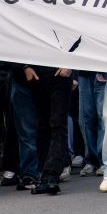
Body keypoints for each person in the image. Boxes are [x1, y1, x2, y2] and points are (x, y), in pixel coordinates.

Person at [22, 63, 74, 195]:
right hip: (36, 72)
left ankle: (52, 174)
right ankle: (46, 175)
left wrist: (71, 66)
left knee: (58, 124)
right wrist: (25, 67)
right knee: (42, 126)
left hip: (60, 71)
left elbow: (78, 47)